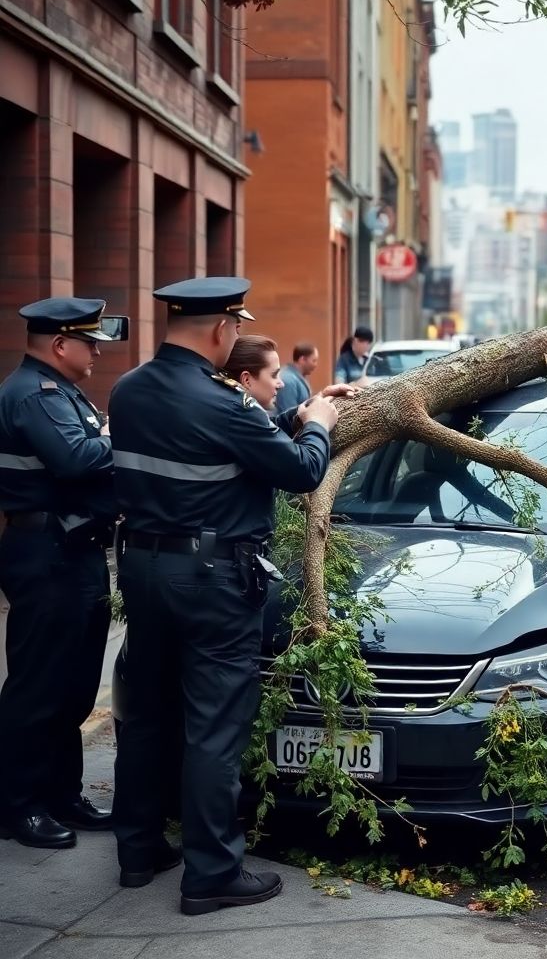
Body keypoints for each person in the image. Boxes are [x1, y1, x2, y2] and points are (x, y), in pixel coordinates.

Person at [108, 277, 348, 915]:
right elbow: (301, 470)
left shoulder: (128, 390)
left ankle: (138, 850)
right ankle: (211, 872)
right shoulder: (223, 402)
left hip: (142, 570)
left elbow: (207, 447)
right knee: (214, 725)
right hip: (212, 582)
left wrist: (286, 419)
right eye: (236, 328)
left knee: (148, 716)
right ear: (222, 330)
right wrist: (319, 422)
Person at [0, 297, 128, 849]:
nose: (97, 351)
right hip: (45, 552)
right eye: (90, 341)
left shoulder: (60, 390)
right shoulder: (34, 393)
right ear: (59, 345)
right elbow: (77, 458)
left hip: (72, 550)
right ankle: (20, 805)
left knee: (74, 686)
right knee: (39, 686)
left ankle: (62, 795)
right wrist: (119, 437)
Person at [274, 341, 318, 413]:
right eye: (314, 360)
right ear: (302, 359)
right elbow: (288, 414)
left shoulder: (299, 376)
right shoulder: (288, 380)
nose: (316, 365)